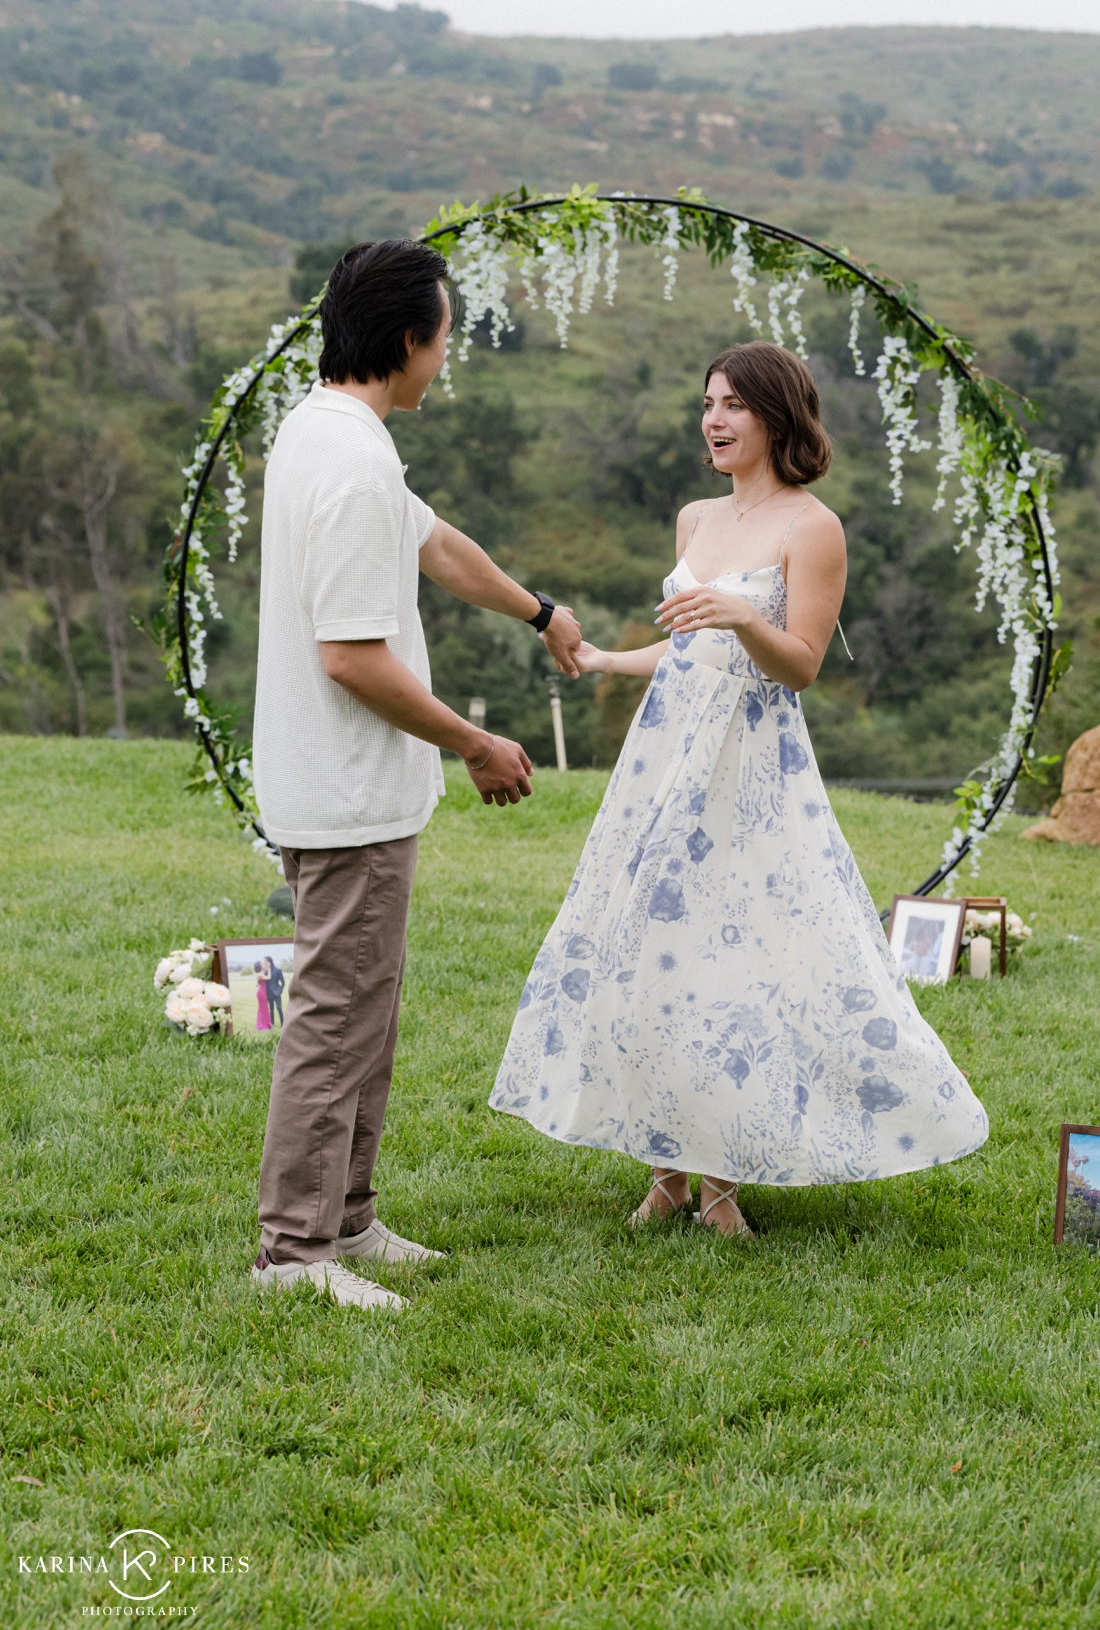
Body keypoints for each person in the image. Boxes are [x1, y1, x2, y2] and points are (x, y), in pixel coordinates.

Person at [490, 341, 988, 1239]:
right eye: (707, 402)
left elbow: (795, 665)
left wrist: (745, 612)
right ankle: (670, 1170)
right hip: (664, 762)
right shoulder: (694, 519)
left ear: (777, 417)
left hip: (753, 769)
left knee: (739, 962)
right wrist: (610, 657)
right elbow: (690, 648)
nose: (714, 420)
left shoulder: (813, 527)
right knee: (655, 950)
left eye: (734, 405)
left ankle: (721, 1177)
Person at [251, 238, 583, 1311]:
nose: (447, 361)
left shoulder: (332, 434)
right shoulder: (347, 461)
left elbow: (437, 547)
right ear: (409, 340)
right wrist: (475, 744)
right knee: (334, 1017)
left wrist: (538, 612)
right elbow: (350, 658)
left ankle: (347, 1220)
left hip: (356, 793)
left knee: (365, 1013)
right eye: (445, 340)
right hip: (345, 795)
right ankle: (296, 1255)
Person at [265, 956, 286, 1028]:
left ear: (269, 961)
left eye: (266, 961)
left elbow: (283, 982)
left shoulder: (278, 970)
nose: (265, 963)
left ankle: (283, 1024)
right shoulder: (266, 971)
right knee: (271, 1009)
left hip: (277, 993)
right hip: (269, 993)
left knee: (279, 1008)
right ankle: (272, 1024)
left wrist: (280, 990)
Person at [254, 963, 272, 1032]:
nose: (262, 965)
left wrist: (266, 966)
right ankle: (263, 1026)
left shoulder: (260, 973)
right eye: (261, 964)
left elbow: (258, 983)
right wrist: (269, 968)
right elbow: (268, 977)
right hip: (261, 993)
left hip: (262, 992)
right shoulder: (260, 974)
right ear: (259, 967)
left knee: (263, 1008)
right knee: (263, 1009)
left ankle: (265, 1024)